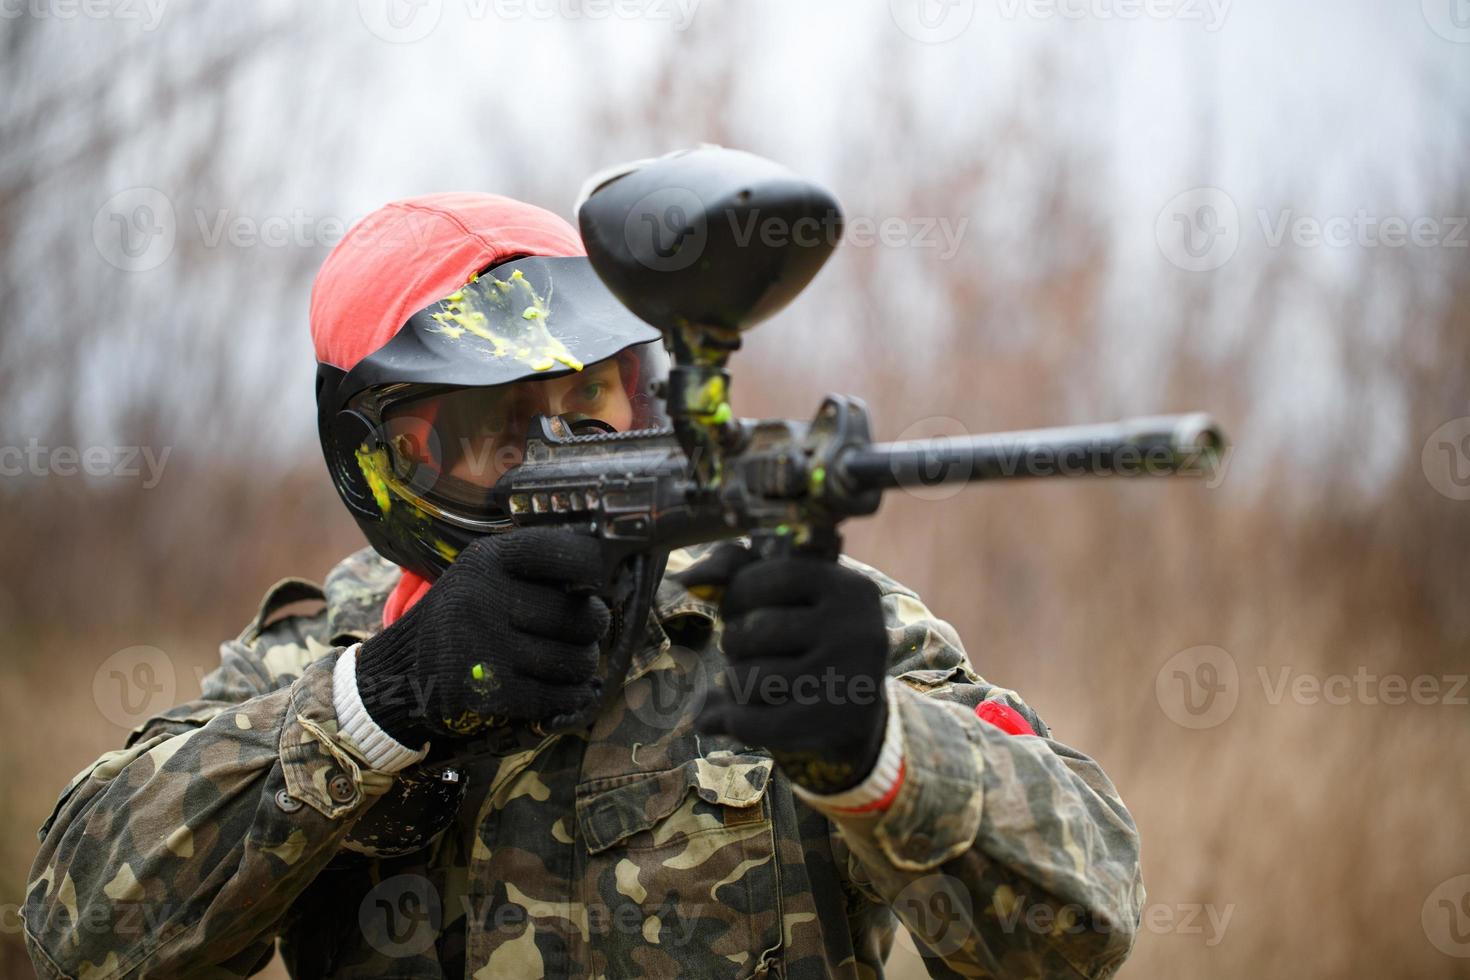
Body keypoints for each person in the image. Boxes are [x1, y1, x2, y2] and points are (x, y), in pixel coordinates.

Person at [24, 190, 1144, 978]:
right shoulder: (321, 653)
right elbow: (83, 933)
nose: (556, 448)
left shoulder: (782, 622)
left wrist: (879, 754)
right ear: (381, 456)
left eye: (588, 400)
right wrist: (386, 699)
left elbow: (1084, 925)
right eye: (487, 426)